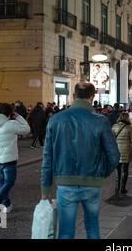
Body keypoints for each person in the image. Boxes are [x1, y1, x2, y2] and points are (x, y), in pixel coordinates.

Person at [41, 82, 119, 239]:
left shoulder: (56, 119)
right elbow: (114, 155)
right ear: (92, 97)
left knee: (66, 232)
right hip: (92, 183)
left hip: (65, 183)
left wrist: (45, 189)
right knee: (92, 228)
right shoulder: (100, 120)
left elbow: (48, 157)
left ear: (73, 96)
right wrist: (100, 173)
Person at [0, 103, 31, 213]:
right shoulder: (11, 124)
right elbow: (27, 129)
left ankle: (7, 204)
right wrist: (18, 117)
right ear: (9, 113)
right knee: (9, 181)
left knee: (3, 181)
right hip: (9, 158)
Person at [112, 112, 132, 195]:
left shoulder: (114, 126)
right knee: (125, 171)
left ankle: (116, 187)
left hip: (116, 151)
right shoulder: (129, 128)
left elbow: (111, 139)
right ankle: (123, 188)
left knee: (117, 171)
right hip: (126, 151)